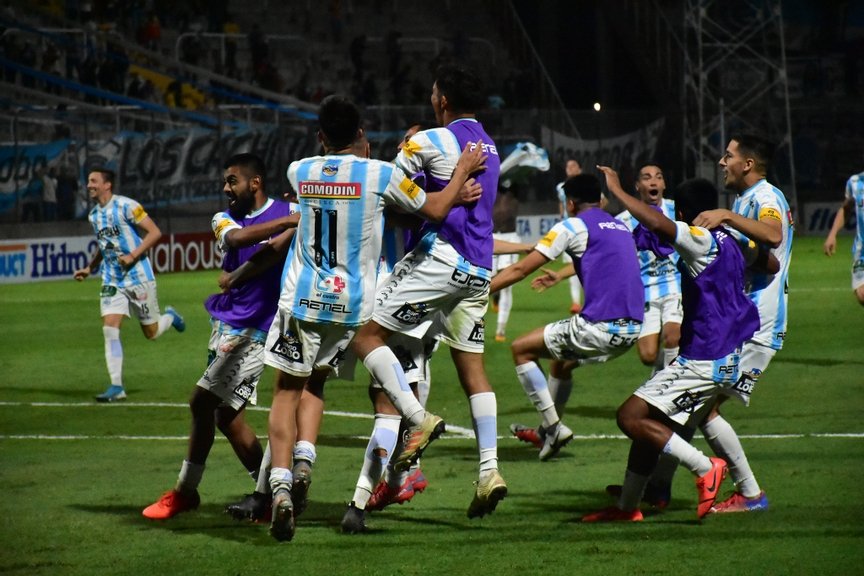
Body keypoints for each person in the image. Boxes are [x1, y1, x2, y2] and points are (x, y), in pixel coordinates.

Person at [264, 94, 486, 542]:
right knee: (369, 341)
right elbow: (435, 210)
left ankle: (281, 491)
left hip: (302, 301)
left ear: (321, 137)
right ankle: (415, 414)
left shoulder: (299, 170)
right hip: (352, 303)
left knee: (288, 392)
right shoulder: (381, 175)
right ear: (362, 132)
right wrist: (460, 173)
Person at [347, 63, 505, 533]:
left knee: (366, 337)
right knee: (471, 369)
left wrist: (441, 194)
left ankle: (416, 422)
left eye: (434, 92)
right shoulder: (490, 146)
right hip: (479, 270)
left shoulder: (428, 141)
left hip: (439, 263)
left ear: (442, 100)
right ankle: (488, 469)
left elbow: (386, 195)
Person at [582, 168, 778, 522]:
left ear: (683, 215)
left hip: (705, 357)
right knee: (657, 419)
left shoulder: (699, 238)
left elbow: (659, 225)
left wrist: (617, 190)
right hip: (727, 355)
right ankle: (629, 507)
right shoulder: (733, 237)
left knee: (630, 416)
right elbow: (772, 263)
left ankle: (705, 468)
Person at [141, 153, 299, 520]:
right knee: (228, 417)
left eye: (232, 181)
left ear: (254, 183)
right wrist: (290, 221)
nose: (226, 188)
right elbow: (237, 238)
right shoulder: (224, 218)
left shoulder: (285, 210)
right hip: (226, 326)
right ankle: (273, 495)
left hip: (259, 330)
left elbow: (276, 252)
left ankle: (185, 492)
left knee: (200, 403)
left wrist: (289, 222)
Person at [490, 173, 644, 461]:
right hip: (632, 330)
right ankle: (546, 434)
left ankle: (553, 426)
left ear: (570, 203)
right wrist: (561, 275)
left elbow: (520, 270)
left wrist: (479, 292)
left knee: (521, 349)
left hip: (599, 327)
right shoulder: (620, 226)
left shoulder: (571, 226)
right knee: (561, 363)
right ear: (599, 200)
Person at [686, 133, 793, 513]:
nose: (720, 161)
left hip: (757, 325)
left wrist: (727, 217)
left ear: (747, 164)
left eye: (727, 155)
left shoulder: (764, 199)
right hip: (742, 322)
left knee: (701, 406)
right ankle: (656, 486)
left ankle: (750, 494)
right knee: (695, 403)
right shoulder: (747, 199)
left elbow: (773, 234)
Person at [73, 168, 185, 402]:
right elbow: (105, 245)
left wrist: (133, 255)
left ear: (107, 185)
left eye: (94, 181)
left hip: (138, 277)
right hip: (112, 279)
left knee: (151, 333)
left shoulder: (127, 206)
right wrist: (90, 267)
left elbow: (155, 232)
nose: (89, 185)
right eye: (89, 182)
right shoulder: (94, 215)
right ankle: (116, 386)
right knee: (110, 328)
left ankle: (171, 318)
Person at [616, 164, 682, 374]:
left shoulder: (678, 210)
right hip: (645, 291)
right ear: (638, 185)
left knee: (673, 336)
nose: (653, 181)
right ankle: (664, 371)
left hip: (676, 286)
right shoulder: (623, 221)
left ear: (663, 184)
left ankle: (671, 391)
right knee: (648, 356)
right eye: (646, 178)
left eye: (658, 177)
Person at [823, 168, 864, 306]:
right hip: (862, 251)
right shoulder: (855, 181)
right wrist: (832, 234)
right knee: (862, 295)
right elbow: (846, 208)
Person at [491, 179, 521, 341]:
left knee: (507, 284)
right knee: (489, 279)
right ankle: (494, 296)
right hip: (492, 237)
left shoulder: (515, 194)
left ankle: (500, 329)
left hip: (511, 239)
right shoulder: (491, 192)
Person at [556, 158, 585, 314]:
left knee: (585, 266)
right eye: (568, 166)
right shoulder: (560, 187)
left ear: (579, 169)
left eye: (574, 166)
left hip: (584, 229)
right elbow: (561, 204)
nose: (570, 168)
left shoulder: (586, 185)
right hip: (569, 230)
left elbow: (603, 201)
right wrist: (561, 217)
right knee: (574, 266)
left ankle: (588, 300)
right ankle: (576, 303)